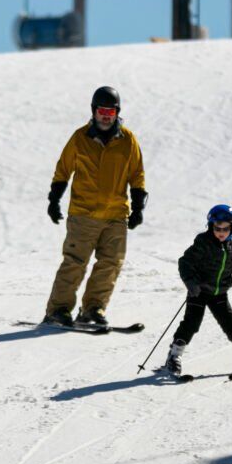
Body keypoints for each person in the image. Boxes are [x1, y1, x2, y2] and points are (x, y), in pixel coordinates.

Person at [44, 86, 146, 329]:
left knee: (110, 264)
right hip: (83, 214)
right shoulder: (80, 138)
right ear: (93, 111)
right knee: (75, 262)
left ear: (117, 113)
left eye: (110, 111)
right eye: (102, 110)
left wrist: (138, 207)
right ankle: (58, 310)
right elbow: (63, 169)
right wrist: (54, 200)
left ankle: (93, 309)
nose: (106, 115)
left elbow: (137, 174)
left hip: (116, 215)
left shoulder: (128, 140)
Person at [166, 204, 232, 378]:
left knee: (230, 324)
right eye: (217, 228)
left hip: (219, 293)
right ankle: (174, 356)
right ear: (211, 226)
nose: (221, 232)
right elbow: (185, 262)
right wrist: (191, 283)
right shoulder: (203, 242)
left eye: (225, 228)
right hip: (199, 292)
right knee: (191, 324)